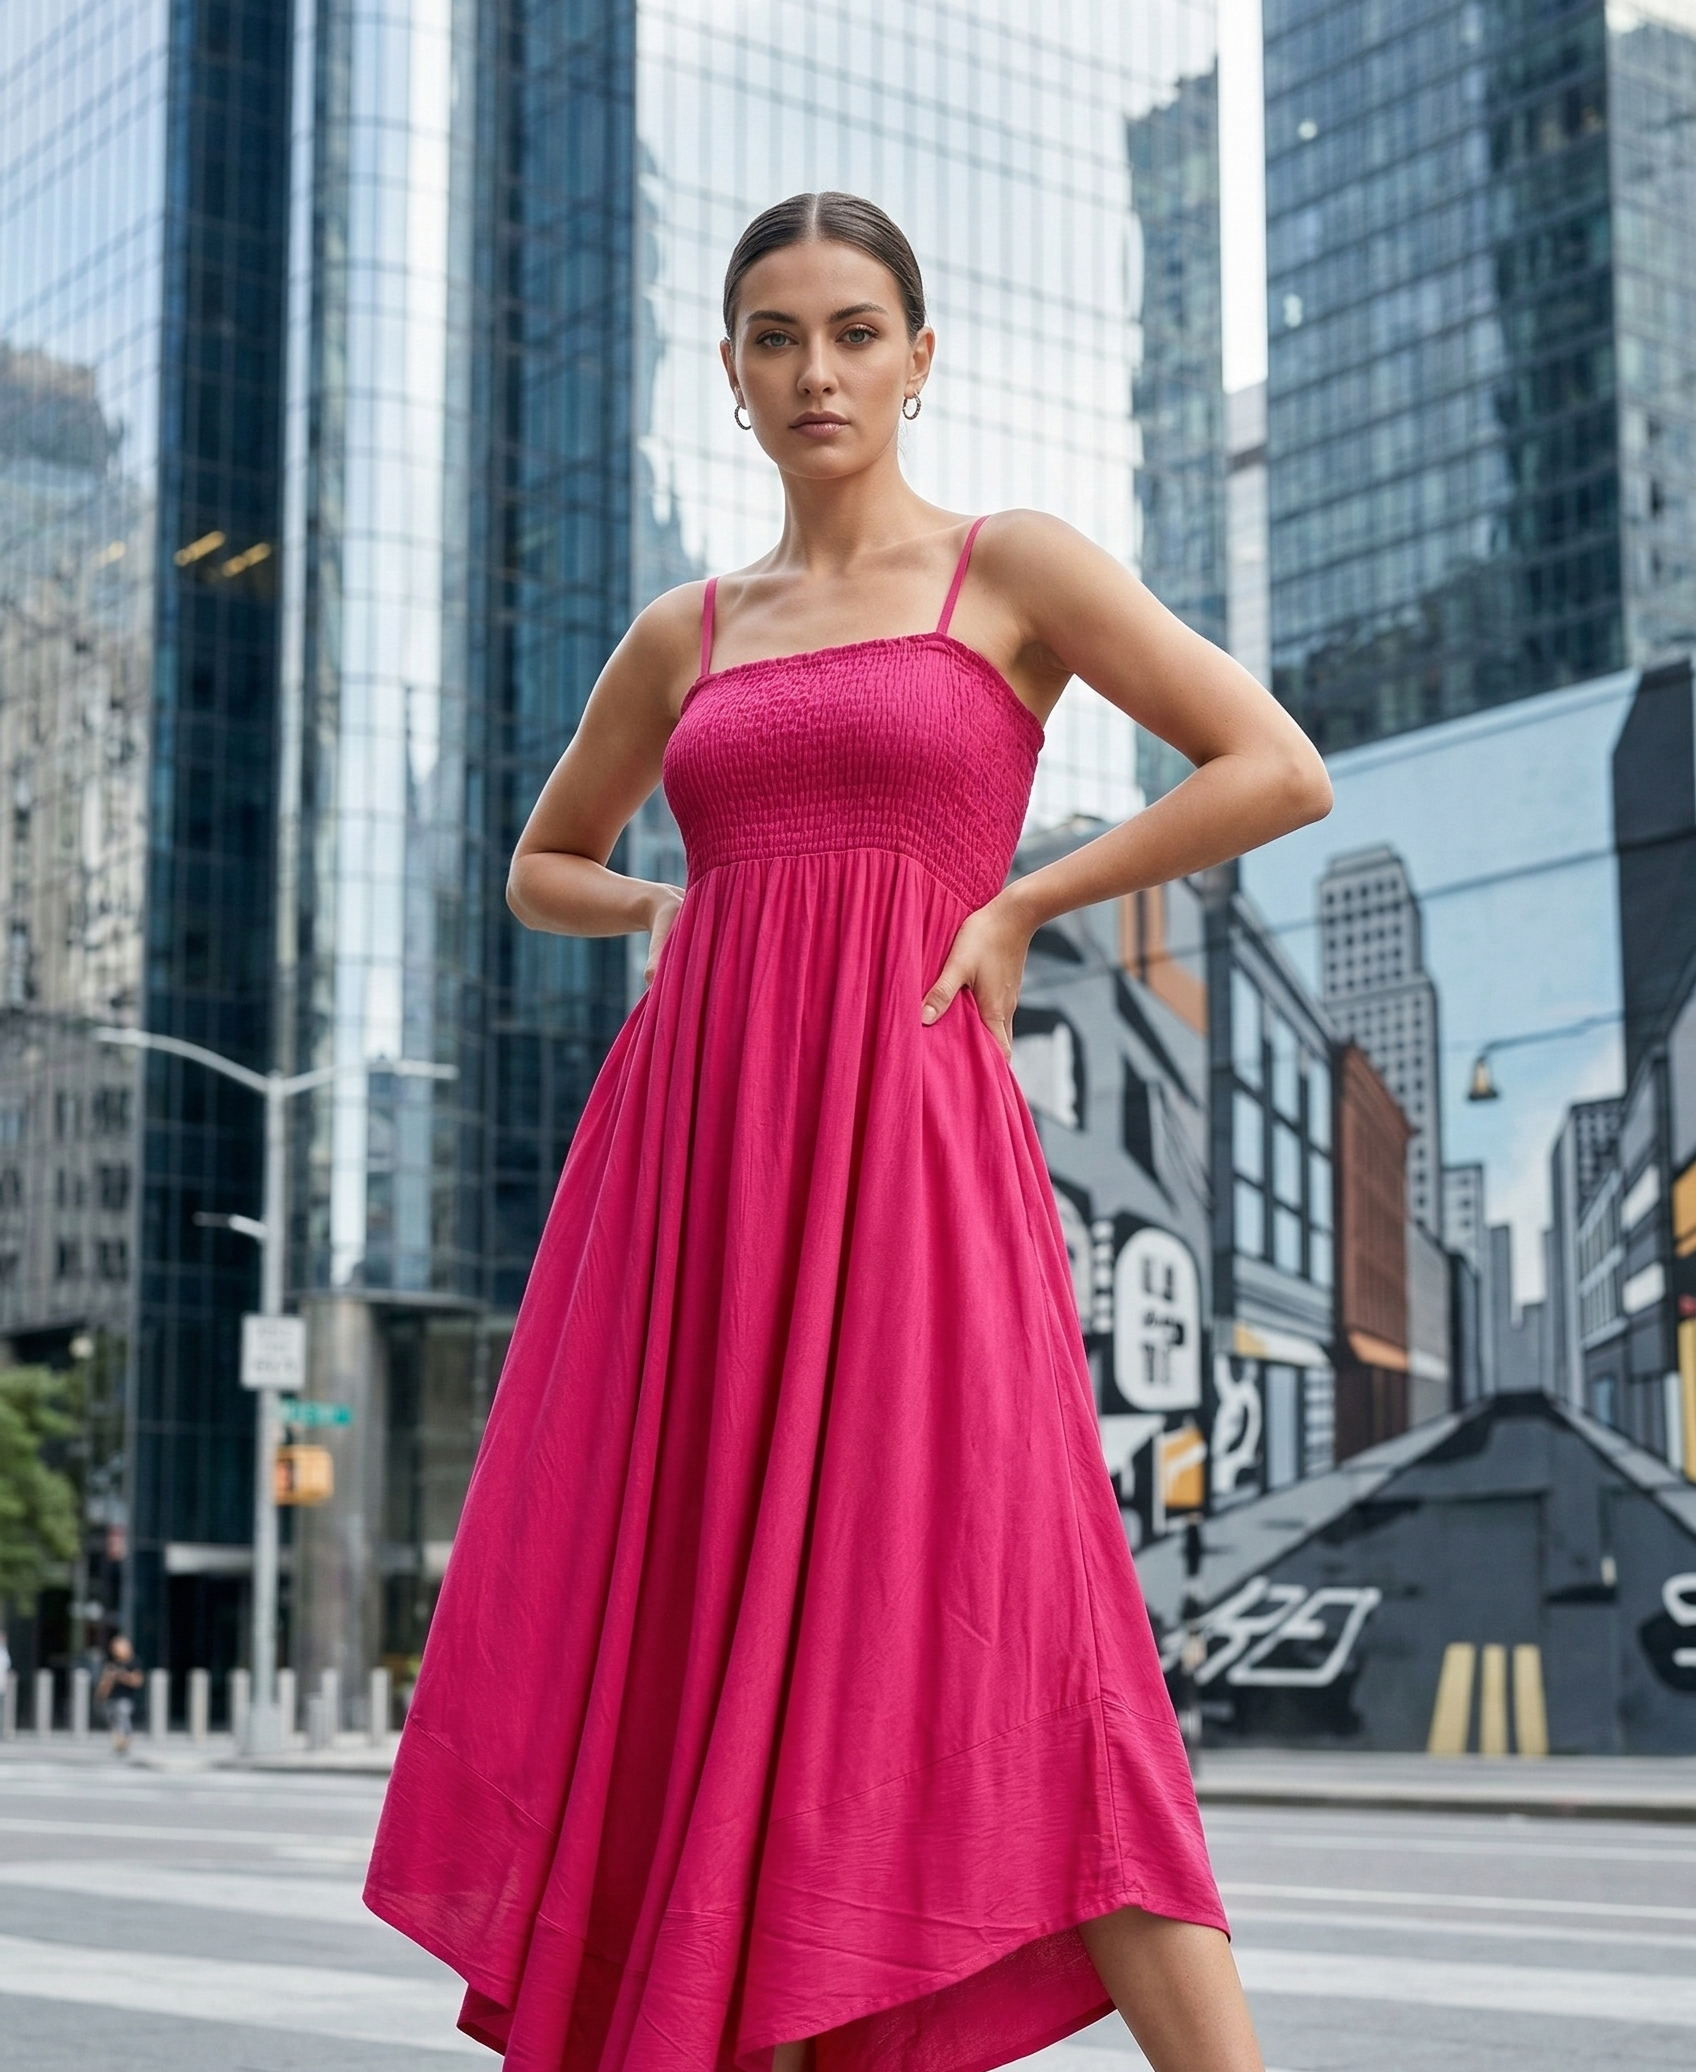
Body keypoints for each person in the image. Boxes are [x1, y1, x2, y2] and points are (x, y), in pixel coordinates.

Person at [364, 191, 1331, 2072]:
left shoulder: (1012, 567)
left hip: (909, 1132)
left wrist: (1029, 901)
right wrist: (660, 913)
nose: (819, 369)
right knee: (728, 1643)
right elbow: (541, 865)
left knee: (1041, 1630)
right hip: (700, 1166)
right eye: (777, 335)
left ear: (920, 354)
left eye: (857, 329)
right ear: (729, 374)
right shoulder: (687, 629)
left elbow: (1270, 764)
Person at [96, 1634, 143, 1754]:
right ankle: (119, 1741)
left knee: (122, 1716)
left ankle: (125, 1739)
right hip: (111, 1698)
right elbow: (103, 1682)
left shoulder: (134, 1662)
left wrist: (121, 1675)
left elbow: (137, 1681)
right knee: (112, 1719)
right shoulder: (110, 1662)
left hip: (125, 1697)